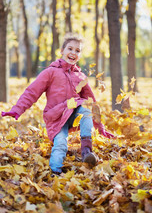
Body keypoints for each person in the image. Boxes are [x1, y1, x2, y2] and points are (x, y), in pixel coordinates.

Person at [1, 33, 114, 175]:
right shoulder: (50, 72)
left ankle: (86, 152)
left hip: (74, 115)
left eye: (77, 51)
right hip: (56, 117)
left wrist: (100, 127)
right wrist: (17, 109)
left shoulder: (80, 76)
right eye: (70, 49)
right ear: (62, 51)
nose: (73, 53)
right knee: (60, 144)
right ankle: (55, 172)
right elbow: (32, 92)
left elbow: (92, 104)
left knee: (86, 111)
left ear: (80, 55)